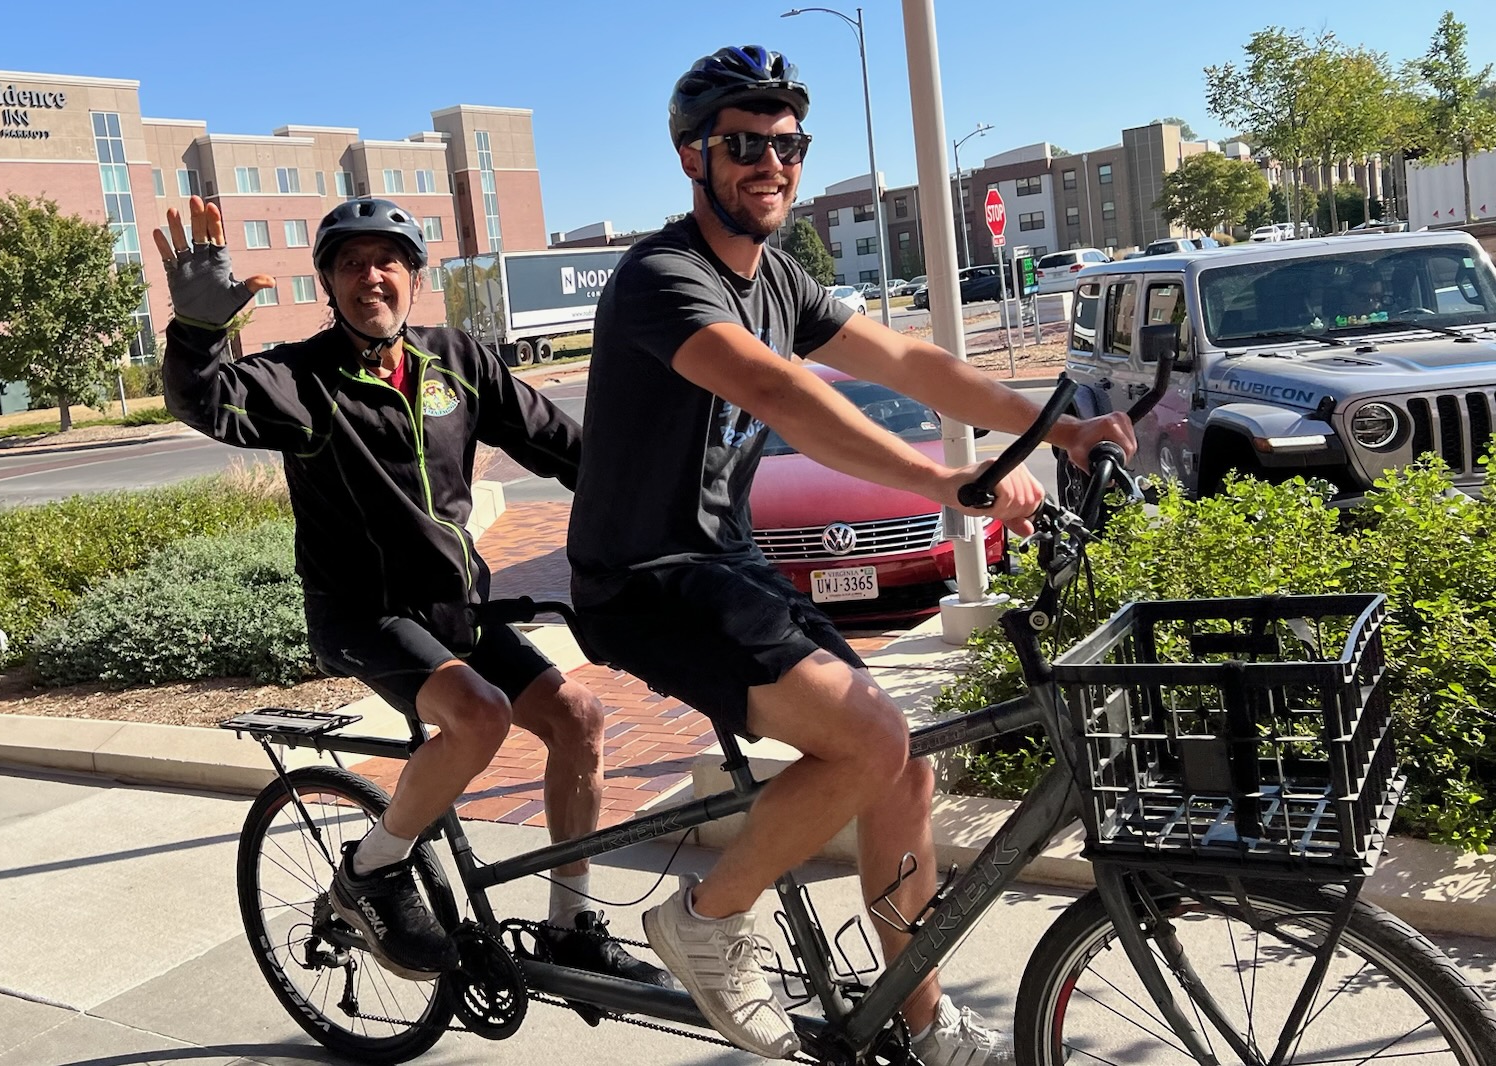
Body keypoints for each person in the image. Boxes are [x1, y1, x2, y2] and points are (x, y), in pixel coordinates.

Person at [566, 45, 1136, 1063]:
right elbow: (781, 395)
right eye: (745, 144)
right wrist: (944, 483)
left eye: (788, 144)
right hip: (646, 579)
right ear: (693, 157)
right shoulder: (662, 277)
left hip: (724, 565)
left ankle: (920, 1026)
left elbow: (910, 361)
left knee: (900, 770)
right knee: (872, 741)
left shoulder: (779, 276)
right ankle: (705, 917)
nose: (772, 163)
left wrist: (1055, 425)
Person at [156, 195, 668, 988]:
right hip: (362, 615)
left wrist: (655, 501)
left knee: (579, 718)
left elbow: (564, 447)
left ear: (414, 278)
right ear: (329, 282)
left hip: (456, 612)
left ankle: (569, 924)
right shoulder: (302, 379)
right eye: (352, 263)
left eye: (388, 260)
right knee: (480, 714)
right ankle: (372, 871)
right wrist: (196, 333)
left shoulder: (456, 360)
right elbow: (206, 400)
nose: (372, 276)